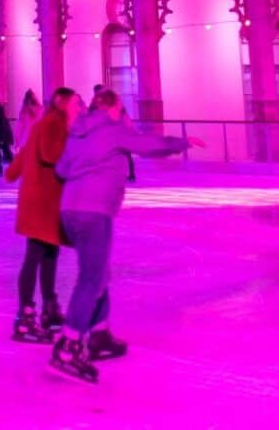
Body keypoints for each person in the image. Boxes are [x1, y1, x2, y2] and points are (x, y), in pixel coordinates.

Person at [50, 88, 201, 381]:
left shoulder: (78, 131)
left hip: (70, 210)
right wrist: (181, 142)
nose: (122, 116)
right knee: (92, 277)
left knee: (97, 272)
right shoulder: (112, 129)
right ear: (111, 109)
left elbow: (62, 169)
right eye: (120, 110)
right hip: (95, 211)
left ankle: (99, 332)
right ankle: (68, 346)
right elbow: (148, 144)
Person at [5, 87, 82, 342]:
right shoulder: (54, 123)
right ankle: (25, 316)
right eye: (75, 104)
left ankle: (49, 308)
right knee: (36, 256)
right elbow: (51, 155)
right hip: (43, 204)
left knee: (49, 255)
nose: (78, 108)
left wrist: (13, 172)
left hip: (42, 203)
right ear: (62, 104)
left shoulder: (43, 123)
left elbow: (25, 155)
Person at [91, 84, 135, 183]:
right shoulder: (99, 102)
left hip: (117, 130)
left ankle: (130, 174)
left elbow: (121, 115)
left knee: (124, 153)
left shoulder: (109, 101)